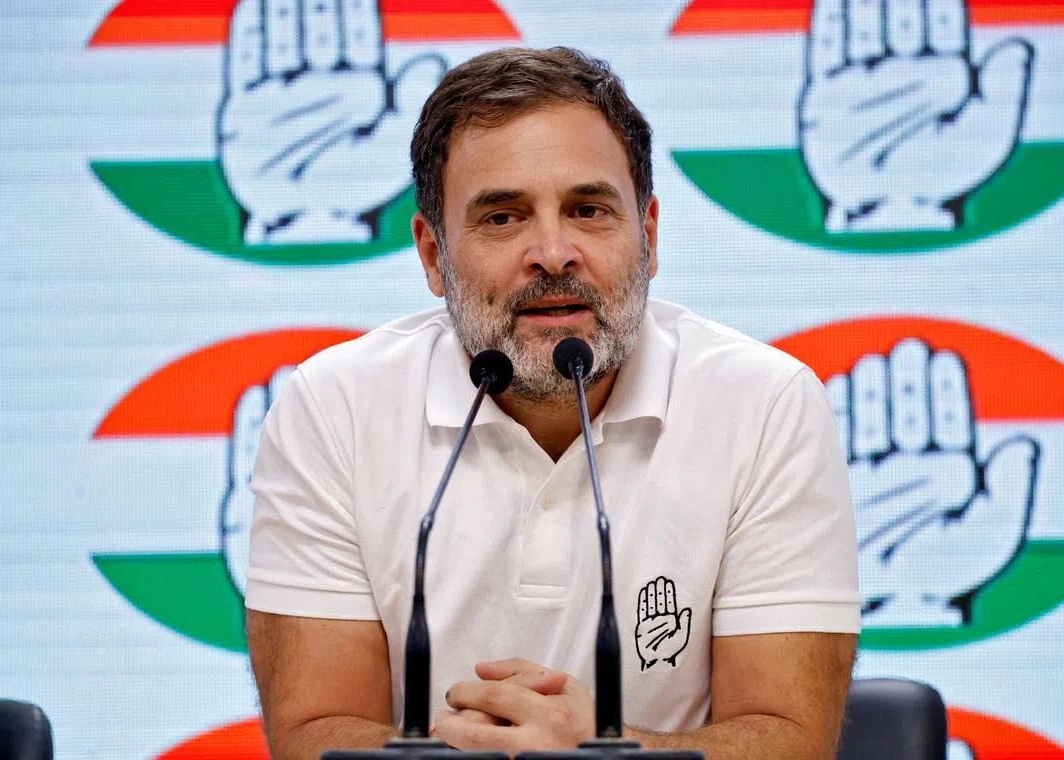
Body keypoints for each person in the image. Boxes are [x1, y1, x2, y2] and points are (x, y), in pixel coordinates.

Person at [244, 46, 860, 760]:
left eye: (588, 209)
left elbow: (790, 740)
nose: (553, 251)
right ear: (433, 255)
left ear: (649, 237)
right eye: (503, 218)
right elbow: (314, 734)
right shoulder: (334, 409)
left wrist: (599, 754)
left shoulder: (764, 406)